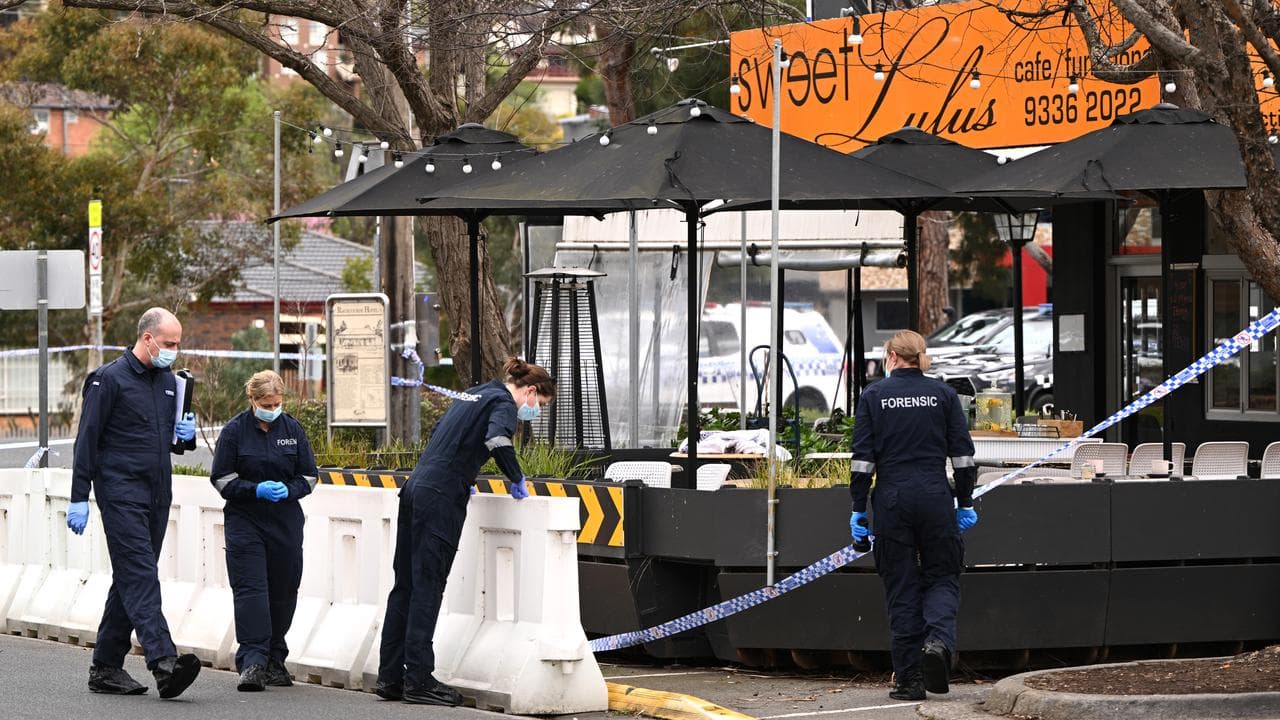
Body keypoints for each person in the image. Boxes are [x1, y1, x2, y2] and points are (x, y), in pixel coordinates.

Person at [374, 357, 555, 706]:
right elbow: (497, 440)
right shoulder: (503, 403)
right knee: (428, 587)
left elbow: (444, 434)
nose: (536, 410)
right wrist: (516, 477)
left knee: (405, 586)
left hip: (416, 489)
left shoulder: (475, 393)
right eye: (540, 404)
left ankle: (390, 676)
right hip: (440, 498)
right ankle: (419, 679)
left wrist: (462, 472)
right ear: (531, 391)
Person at [67, 307, 202, 699]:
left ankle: (106, 668)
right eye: (169, 343)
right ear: (147, 338)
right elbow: (87, 441)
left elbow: (172, 443)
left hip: (157, 493)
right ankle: (164, 662)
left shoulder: (168, 382)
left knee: (130, 576)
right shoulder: (108, 380)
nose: (174, 350)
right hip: (120, 492)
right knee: (141, 574)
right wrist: (79, 497)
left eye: (177, 343)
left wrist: (186, 436)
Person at [848, 330, 978, 701]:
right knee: (942, 576)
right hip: (936, 497)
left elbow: (862, 462)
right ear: (920, 356)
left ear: (891, 356)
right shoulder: (944, 395)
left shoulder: (873, 396)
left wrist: (858, 509)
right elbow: (963, 458)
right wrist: (965, 502)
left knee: (901, 586)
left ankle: (909, 680)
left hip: (892, 501)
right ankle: (937, 643)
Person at [210, 370, 317, 692]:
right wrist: (254, 489)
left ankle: (274, 658)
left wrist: (290, 490)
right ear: (252, 400)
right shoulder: (234, 432)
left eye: (276, 403)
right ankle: (252, 662)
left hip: (285, 522)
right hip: (246, 520)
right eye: (266, 404)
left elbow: (309, 476)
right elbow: (221, 478)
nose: (272, 409)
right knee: (251, 591)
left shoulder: (293, 430)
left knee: (284, 591)